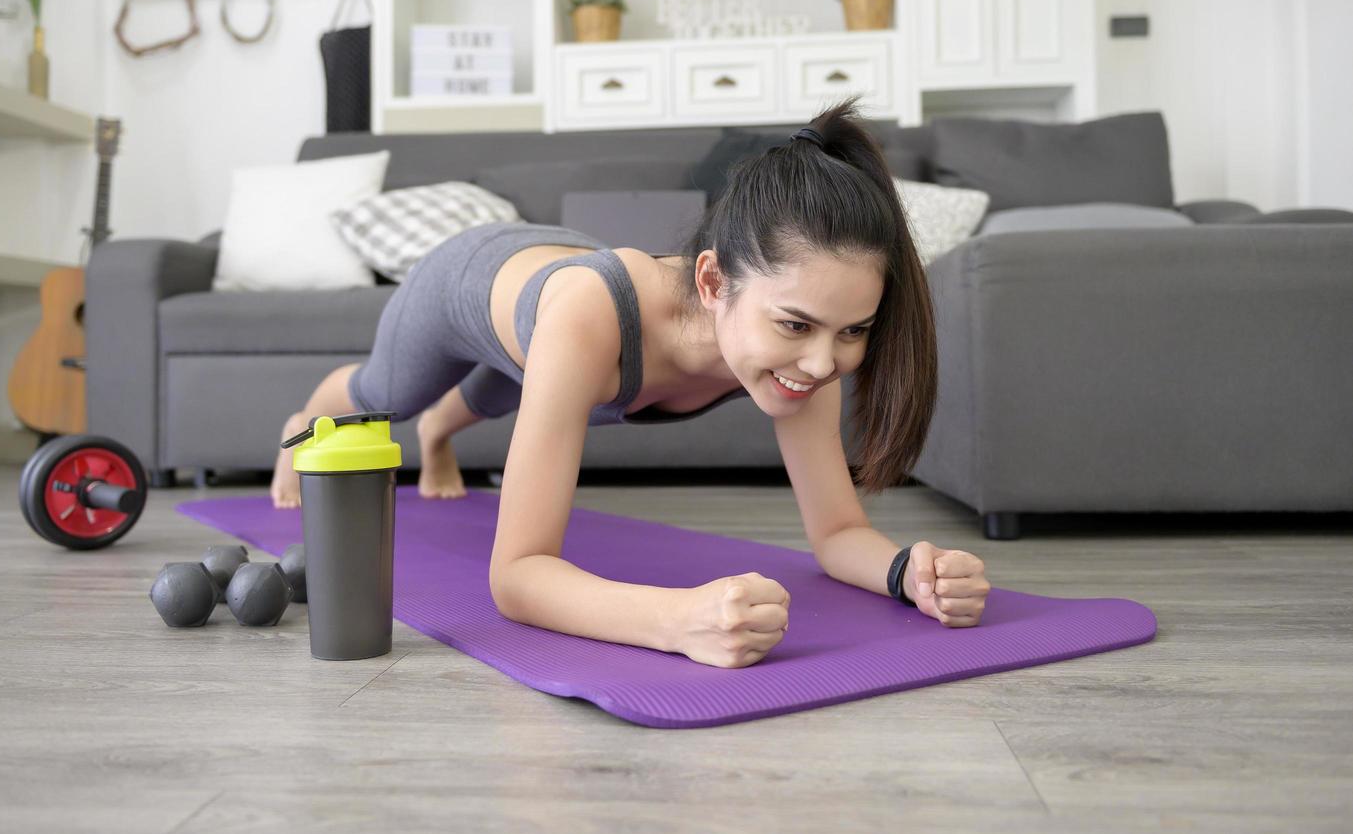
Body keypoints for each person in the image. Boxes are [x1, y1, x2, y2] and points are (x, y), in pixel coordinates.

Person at [269, 96, 990, 668]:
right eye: (797, 326)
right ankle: (303, 420)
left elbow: (836, 533)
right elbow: (516, 575)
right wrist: (675, 621)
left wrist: (907, 572)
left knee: (503, 391)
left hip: (561, 313)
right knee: (382, 400)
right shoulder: (591, 318)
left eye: (854, 332)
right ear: (713, 281)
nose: (823, 363)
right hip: (467, 278)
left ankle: (440, 435)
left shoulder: (808, 350)